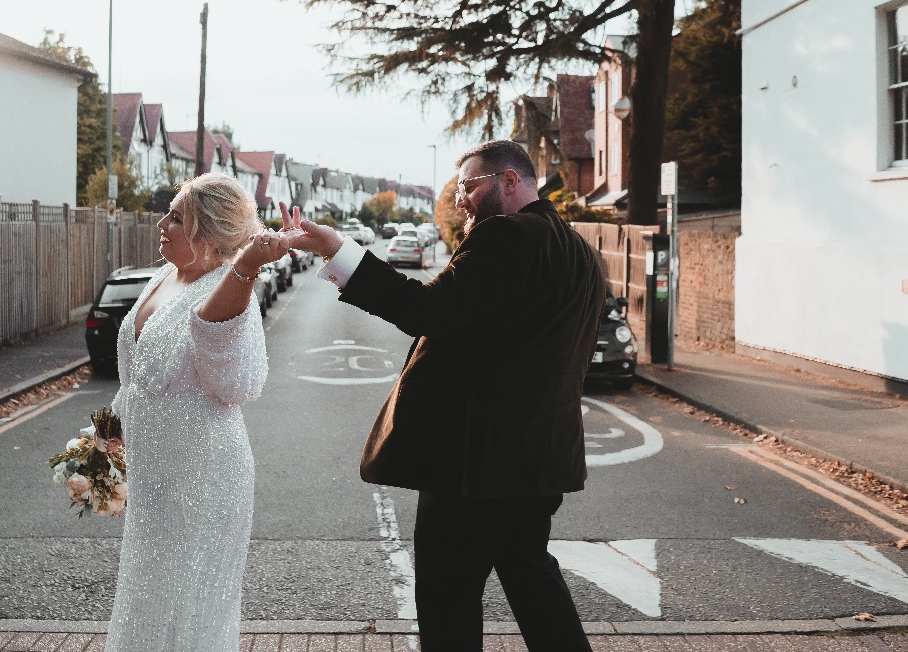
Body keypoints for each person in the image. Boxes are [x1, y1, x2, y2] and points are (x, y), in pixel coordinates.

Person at [281, 140, 606, 652]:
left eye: (469, 187)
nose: (461, 201)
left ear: (510, 181)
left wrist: (335, 249)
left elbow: (426, 310)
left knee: (447, 595)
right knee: (533, 582)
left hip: (474, 465)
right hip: (537, 460)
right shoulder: (581, 253)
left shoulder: (506, 237)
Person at [105, 173, 291, 652]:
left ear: (207, 237)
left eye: (177, 217)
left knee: (191, 607)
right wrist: (103, 436)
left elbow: (232, 378)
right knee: (145, 598)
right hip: (155, 484)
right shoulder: (165, 276)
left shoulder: (229, 291)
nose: (162, 223)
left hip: (204, 479)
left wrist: (247, 265)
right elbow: (135, 379)